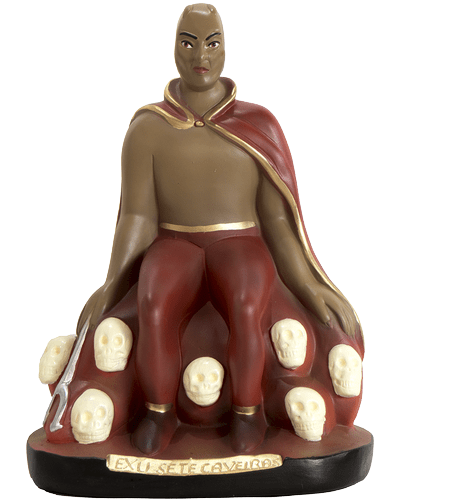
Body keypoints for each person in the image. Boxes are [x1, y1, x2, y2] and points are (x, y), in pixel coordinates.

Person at [77, 3, 360, 456]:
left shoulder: (257, 124)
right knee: (154, 299)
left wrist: (310, 283)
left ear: (225, 49)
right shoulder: (148, 128)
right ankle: (157, 411)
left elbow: (278, 221)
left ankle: (248, 412)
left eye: (211, 44)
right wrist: (112, 284)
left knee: (247, 303)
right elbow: (136, 217)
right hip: (175, 240)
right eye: (188, 43)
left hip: (239, 239)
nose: (200, 56)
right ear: (174, 49)